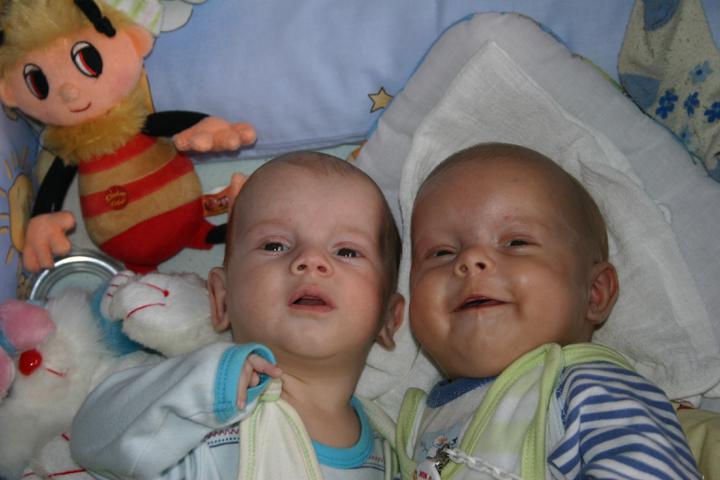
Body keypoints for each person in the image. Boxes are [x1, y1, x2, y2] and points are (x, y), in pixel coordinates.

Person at [70, 151, 405, 479]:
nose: (311, 260)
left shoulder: (396, 450)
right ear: (222, 298)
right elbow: (92, 438)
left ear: (389, 317)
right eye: (275, 245)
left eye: (347, 251)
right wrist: (203, 384)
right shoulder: (203, 420)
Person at [396, 143, 701, 479]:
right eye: (441, 252)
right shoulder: (418, 422)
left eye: (516, 242)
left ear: (594, 293)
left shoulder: (592, 390)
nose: (470, 259)